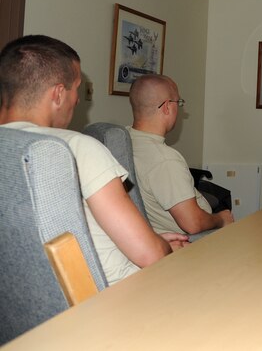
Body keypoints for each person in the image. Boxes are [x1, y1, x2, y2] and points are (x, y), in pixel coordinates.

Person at [0, 35, 188, 285]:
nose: (77, 100)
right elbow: (149, 255)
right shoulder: (76, 149)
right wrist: (166, 250)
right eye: (75, 88)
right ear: (58, 94)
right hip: (120, 295)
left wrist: (152, 237)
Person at [128, 74, 234, 235]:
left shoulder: (124, 139)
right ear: (167, 107)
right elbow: (193, 224)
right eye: (179, 102)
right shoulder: (165, 160)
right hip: (189, 243)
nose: (179, 108)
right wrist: (221, 219)